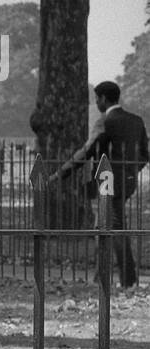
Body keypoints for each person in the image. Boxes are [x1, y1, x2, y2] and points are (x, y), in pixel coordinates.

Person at [50, 81, 149, 289]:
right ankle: (100, 276)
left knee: (114, 228)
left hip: (107, 183)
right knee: (101, 227)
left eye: (96, 99)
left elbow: (86, 152)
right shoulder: (136, 121)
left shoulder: (105, 121)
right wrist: (130, 172)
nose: (96, 103)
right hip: (128, 183)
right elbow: (143, 155)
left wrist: (60, 174)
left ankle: (127, 280)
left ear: (103, 98)